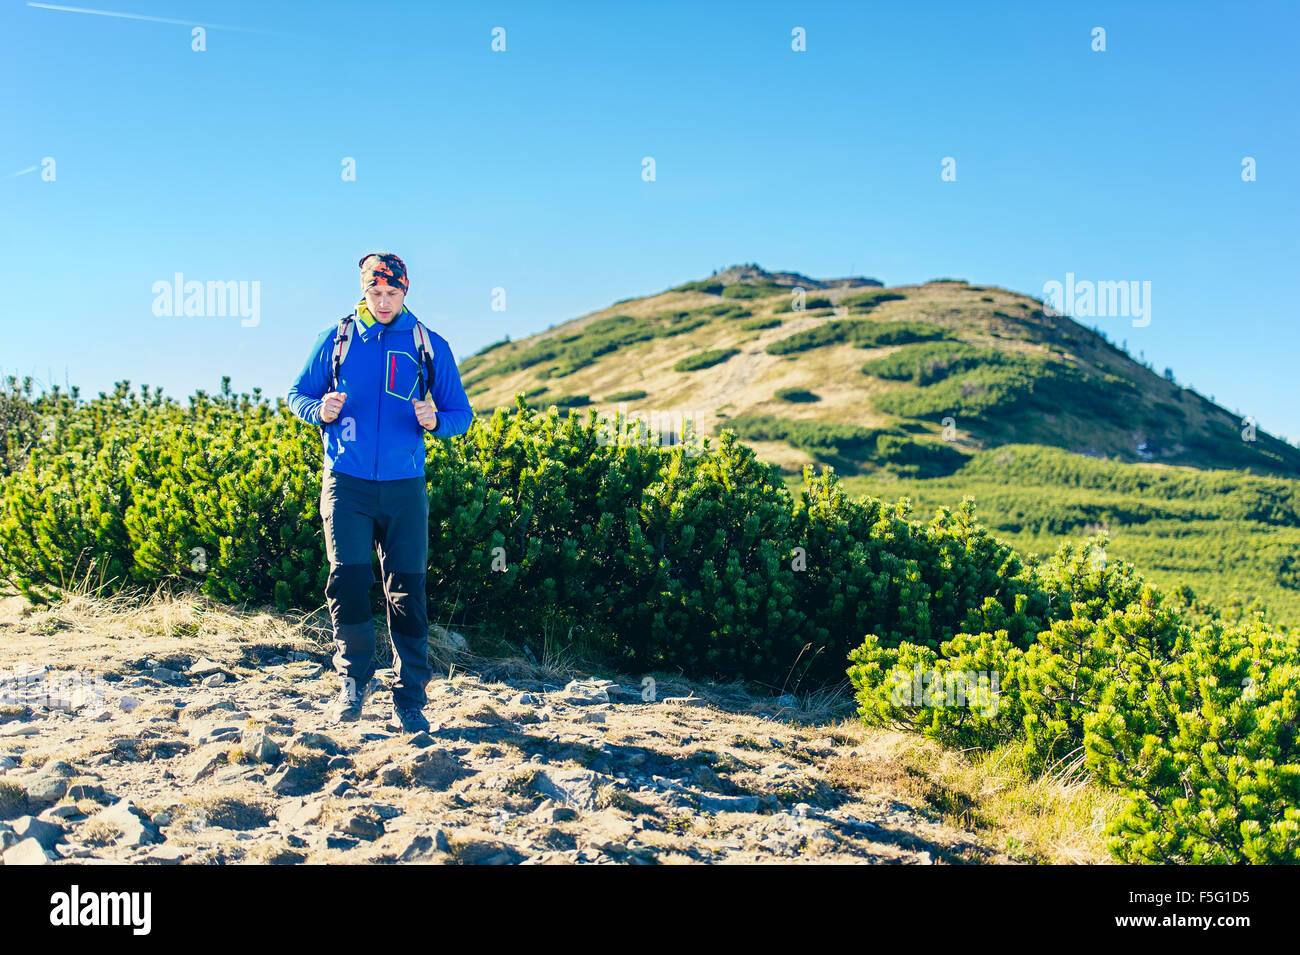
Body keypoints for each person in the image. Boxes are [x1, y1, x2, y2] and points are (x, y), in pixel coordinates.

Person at [287, 252, 474, 732]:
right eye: (375, 293)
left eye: (392, 293)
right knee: (347, 582)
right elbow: (297, 396)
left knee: (406, 593)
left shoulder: (427, 344)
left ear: (405, 291)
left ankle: (409, 697)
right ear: (364, 291)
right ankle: (354, 683)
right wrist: (319, 410)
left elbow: (461, 414)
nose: (384, 301)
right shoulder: (338, 338)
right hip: (345, 482)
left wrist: (437, 421)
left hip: (404, 489)